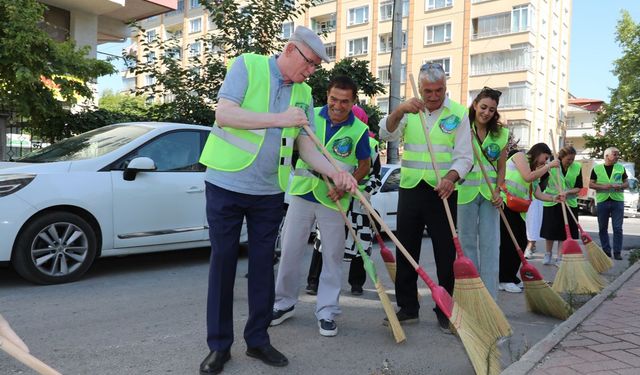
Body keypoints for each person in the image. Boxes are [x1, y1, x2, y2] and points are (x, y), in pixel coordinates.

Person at [197, 26, 357, 375]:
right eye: (310, 62)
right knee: (222, 264)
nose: (312, 71)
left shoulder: (303, 93)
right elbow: (224, 114)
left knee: (261, 268)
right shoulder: (247, 65)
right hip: (225, 184)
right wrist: (279, 120)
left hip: (269, 192)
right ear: (290, 50)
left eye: (316, 66)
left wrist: (335, 171)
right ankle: (219, 347)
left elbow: (306, 145)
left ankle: (257, 340)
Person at [271, 76, 370, 337]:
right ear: (327, 95)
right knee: (290, 251)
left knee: (332, 257)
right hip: (303, 193)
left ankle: (327, 310)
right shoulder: (309, 116)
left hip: (334, 200)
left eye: (345, 101)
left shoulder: (359, 130)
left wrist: (347, 184)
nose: (338, 106)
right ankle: (284, 303)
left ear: (353, 102)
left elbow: (364, 165)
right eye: (334, 99)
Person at [378, 62, 473, 332]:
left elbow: (465, 156)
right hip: (409, 188)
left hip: (442, 191)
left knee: (445, 252)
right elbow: (387, 132)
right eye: (428, 91)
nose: (433, 96)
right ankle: (408, 308)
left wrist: (451, 178)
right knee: (406, 249)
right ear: (420, 89)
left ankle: (445, 308)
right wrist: (398, 110)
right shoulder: (410, 110)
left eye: (439, 90)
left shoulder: (458, 114)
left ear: (446, 87)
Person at [305, 105, 382, 296]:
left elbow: (376, 176)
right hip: (333, 198)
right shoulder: (329, 139)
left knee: (362, 243)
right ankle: (313, 282)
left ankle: (356, 283)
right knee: (324, 241)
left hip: (359, 204)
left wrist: (365, 193)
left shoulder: (371, 145)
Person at [456, 87, 508, 300]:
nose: (486, 112)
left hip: (489, 196)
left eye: (491, 109)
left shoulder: (502, 133)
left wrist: (498, 190)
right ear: (475, 105)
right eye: (483, 107)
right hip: (464, 193)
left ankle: (490, 298)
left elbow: (502, 167)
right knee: (466, 244)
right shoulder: (461, 128)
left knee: (490, 245)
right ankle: (472, 297)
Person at [498, 143, 564, 293]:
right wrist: (549, 166)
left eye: (548, 160)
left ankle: (511, 277)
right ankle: (503, 279)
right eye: (545, 158)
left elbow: (538, 193)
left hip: (519, 209)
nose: (545, 162)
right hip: (506, 204)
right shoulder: (520, 157)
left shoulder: (535, 171)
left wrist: (555, 198)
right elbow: (527, 178)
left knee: (520, 242)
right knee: (509, 243)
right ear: (538, 152)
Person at [540, 145, 582, 265]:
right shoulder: (552, 166)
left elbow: (579, 187)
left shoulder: (577, 167)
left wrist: (567, 192)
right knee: (551, 231)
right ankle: (548, 254)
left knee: (564, 232)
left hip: (569, 203)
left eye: (573, 159)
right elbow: (541, 183)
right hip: (552, 202)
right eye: (568, 159)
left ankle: (559, 257)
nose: (571, 162)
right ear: (561, 157)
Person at [590, 147, 629, 260]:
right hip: (603, 200)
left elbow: (627, 183)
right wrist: (603, 187)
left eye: (618, 154)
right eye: (615, 154)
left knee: (617, 228)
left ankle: (617, 252)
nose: (617, 156)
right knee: (603, 228)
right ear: (607, 156)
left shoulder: (621, 168)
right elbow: (591, 184)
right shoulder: (597, 169)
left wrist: (621, 186)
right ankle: (606, 251)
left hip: (617, 201)